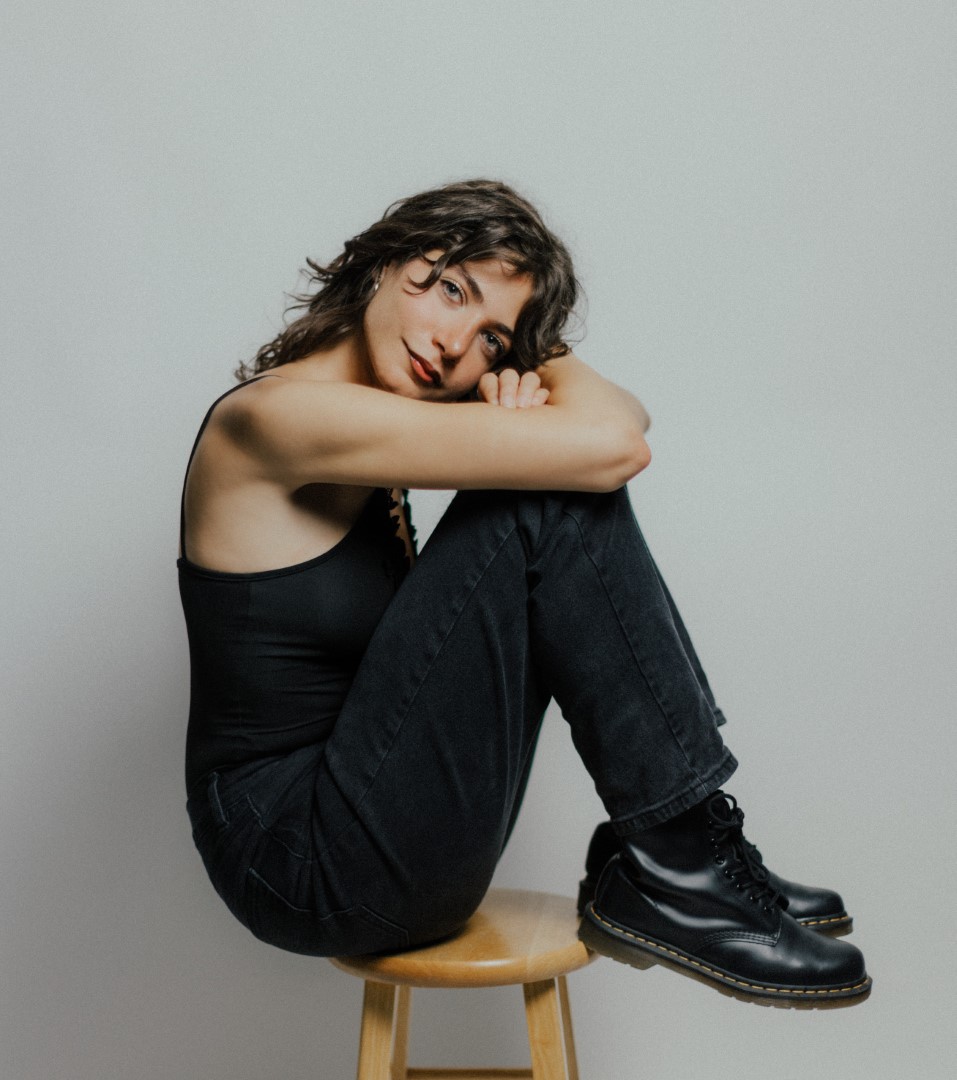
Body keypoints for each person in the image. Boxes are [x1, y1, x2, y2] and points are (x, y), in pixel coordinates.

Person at [179, 179, 870, 1007]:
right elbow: (614, 446)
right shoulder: (272, 420)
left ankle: (682, 858)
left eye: (489, 339)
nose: (452, 345)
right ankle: (678, 860)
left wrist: (524, 351)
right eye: (450, 290)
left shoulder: (375, 419)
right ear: (385, 261)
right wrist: (530, 390)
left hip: (385, 824)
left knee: (553, 484)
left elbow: (624, 420)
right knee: (542, 498)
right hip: (299, 862)